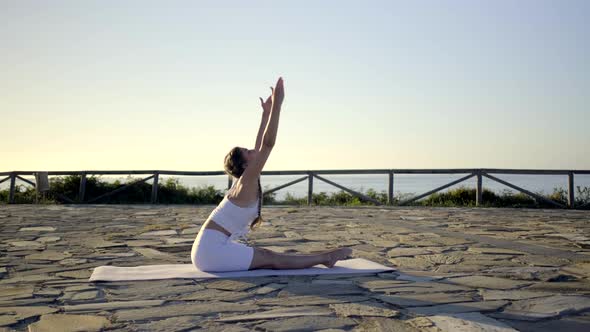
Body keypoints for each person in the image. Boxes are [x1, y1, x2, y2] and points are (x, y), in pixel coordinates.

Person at [191, 77, 352, 272]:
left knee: (268, 256)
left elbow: (259, 145)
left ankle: (325, 257)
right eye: (248, 152)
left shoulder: (243, 181)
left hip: (207, 249)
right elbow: (267, 144)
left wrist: (265, 115)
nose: (253, 150)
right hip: (211, 252)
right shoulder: (245, 183)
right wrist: (277, 106)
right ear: (245, 164)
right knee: (270, 258)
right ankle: (326, 258)